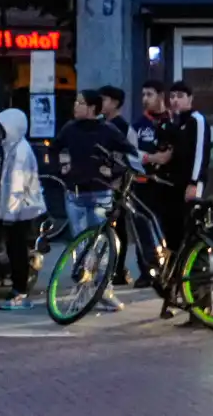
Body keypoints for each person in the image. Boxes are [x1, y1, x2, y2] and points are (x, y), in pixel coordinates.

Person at [52, 89, 137, 311]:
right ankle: (82, 291)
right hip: (75, 194)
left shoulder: (107, 130)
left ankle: (103, 291)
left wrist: (114, 172)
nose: (75, 106)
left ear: (92, 108)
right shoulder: (69, 129)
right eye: (76, 102)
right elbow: (55, 149)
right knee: (79, 246)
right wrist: (63, 167)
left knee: (102, 244)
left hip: (101, 194)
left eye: (80, 103)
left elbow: (129, 152)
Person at [0, 108, 47, 311]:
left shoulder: (19, 152)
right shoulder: (11, 147)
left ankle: (19, 292)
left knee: (17, 251)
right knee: (16, 249)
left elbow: (15, 186)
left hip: (22, 210)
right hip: (19, 209)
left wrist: (6, 215)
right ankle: (17, 287)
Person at [128, 80, 176, 288]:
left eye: (150, 94)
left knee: (168, 228)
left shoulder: (173, 121)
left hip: (168, 184)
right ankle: (147, 271)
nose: (145, 99)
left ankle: (172, 269)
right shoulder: (137, 125)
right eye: (143, 94)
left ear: (160, 96)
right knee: (143, 227)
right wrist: (150, 158)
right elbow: (130, 153)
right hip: (143, 183)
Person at [167, 81, 211, 244]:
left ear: (190, 98)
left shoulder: (197, 120)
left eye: (180, 96)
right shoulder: (177, 122)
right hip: (176, 181)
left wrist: (194, 182)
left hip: (192, 181)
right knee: (177, 225)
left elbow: (201, 152)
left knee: (192, 224)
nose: (175, 100)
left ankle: (199, 263)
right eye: (172, 97)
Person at [99, 84, 134, 284]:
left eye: (104, 100)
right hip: (103, 182)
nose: (100, 104)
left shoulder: (122, 127)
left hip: (118, 183)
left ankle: (118, 269)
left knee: (118, 226)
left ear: (115, 103)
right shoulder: (102, 124)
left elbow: (127, 157)